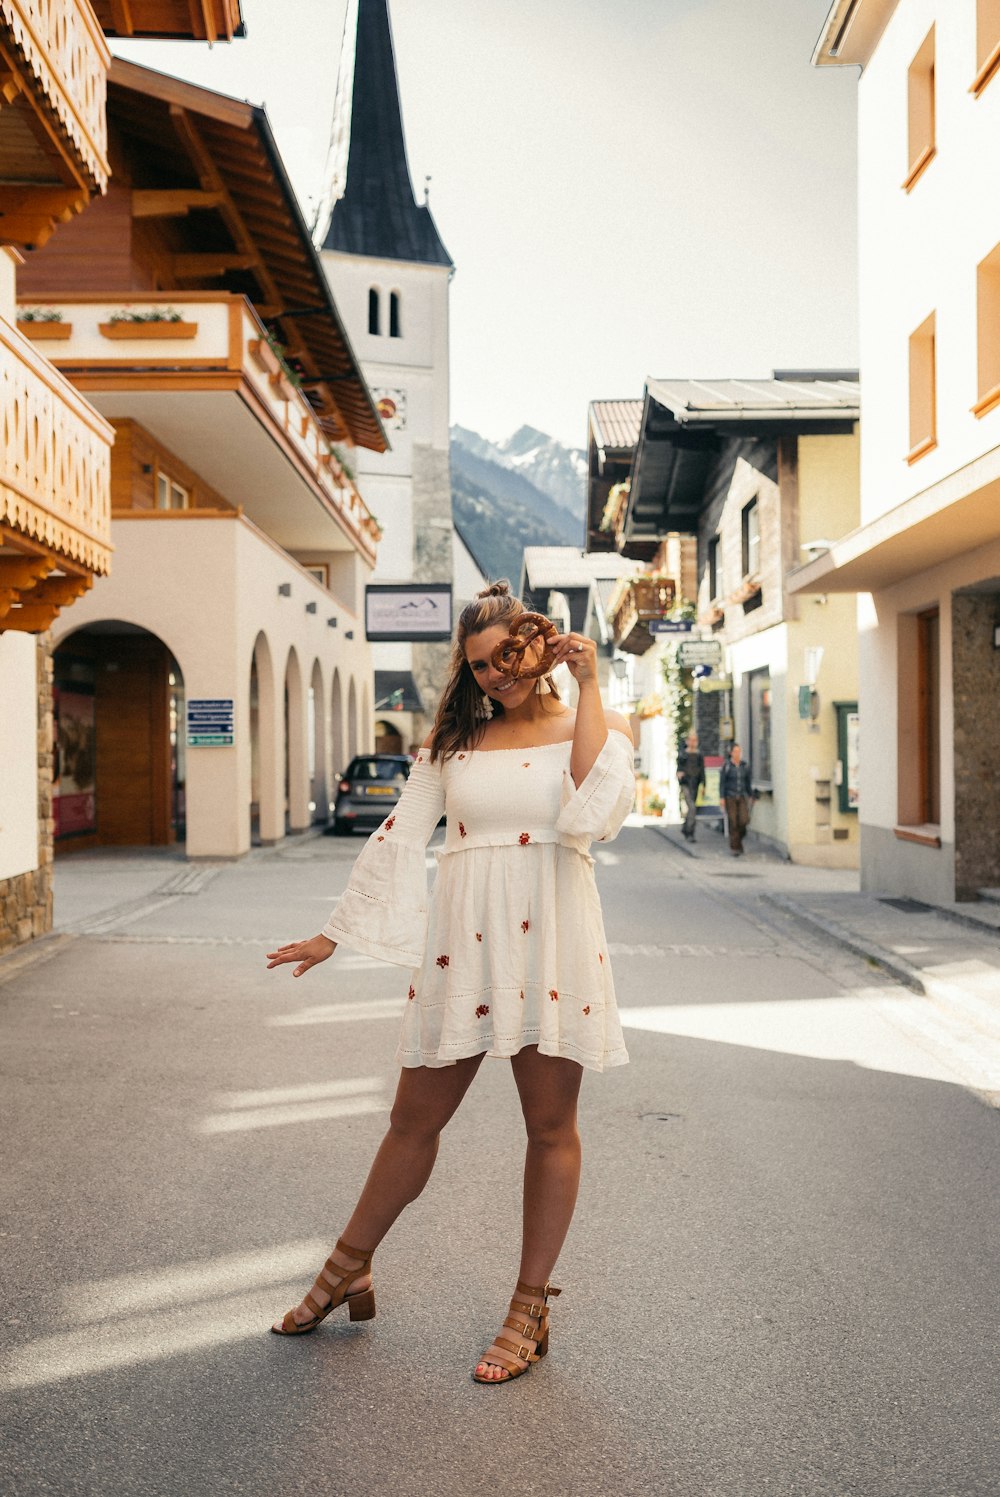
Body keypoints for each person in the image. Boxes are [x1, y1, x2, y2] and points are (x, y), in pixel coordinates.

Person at [266, 581, 635, 1385]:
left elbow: (589, 816)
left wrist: (592, 684)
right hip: (462, 947)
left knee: (549, 1127)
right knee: (411, 1120)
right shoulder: (452, 745)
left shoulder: (593, 723)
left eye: (505, 657)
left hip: (553, 945)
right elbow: (400, 836)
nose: (493, 676)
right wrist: (335, 932)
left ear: (537, 642)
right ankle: (347, 1267)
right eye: (477, 666)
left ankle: (528, 1308)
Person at [719, 742, 754, 856]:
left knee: (744, 820)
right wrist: (722, 797)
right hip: (730, 796)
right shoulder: (727, 766)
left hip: (742, 796)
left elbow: (748, 782)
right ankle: (735, 847)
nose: (737, 754)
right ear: (731, 753)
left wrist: (751, 795)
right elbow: (722, 783)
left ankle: (738, 841)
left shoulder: (745, 766)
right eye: (735, 752)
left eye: (739, 752)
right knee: (733, 822)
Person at [676, 731, 705, 841]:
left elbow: (702, 771)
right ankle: (690, 832)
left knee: (692, 809)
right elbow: (678, 768)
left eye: (695, 740)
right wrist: (679, 774)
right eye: (691, 740)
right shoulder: (683, 754)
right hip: (686, 784)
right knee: (692, 808)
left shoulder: (699, 755)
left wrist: (704, 785)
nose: (693, 742)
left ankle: (685, 828)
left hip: (695, 784)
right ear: (688, 741)